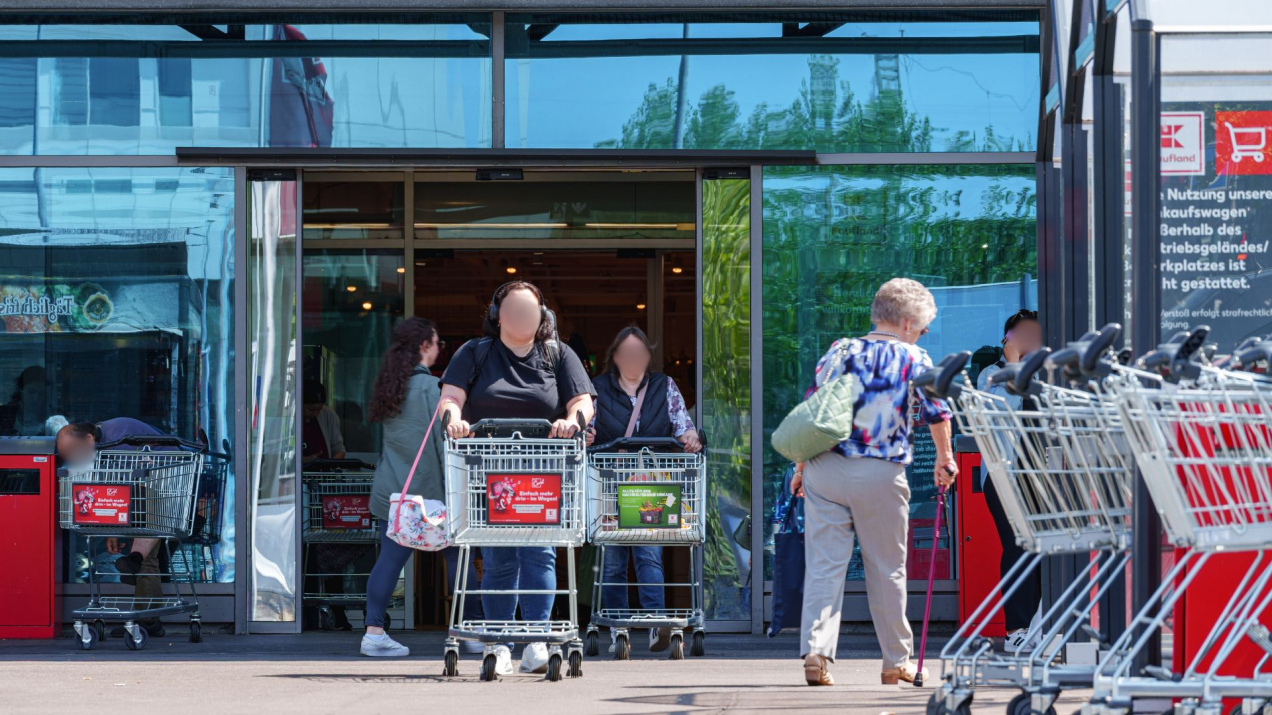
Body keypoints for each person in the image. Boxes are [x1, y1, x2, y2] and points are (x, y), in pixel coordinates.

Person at [791, 278, 957, 687]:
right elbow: (937, 412)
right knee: (886, 568)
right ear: (907, 322)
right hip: (879, 469)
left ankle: (816, 652)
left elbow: (812, 410)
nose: (924, 333)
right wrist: (945, 458)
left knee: (825, 567)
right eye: (923, 326)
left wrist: (800, 468)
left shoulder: (839, 350)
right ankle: (896, 661)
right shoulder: (914, 356)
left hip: (824, 467)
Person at [439, 281, 596, 676]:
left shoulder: (558, 354)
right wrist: (454, 419)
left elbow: (583, 402)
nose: (523, 317)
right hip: (488, 470)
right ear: (497, 315)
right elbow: (450, 398)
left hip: (544, 471)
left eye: (531, 310)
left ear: (542, 316)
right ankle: (500, 643)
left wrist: (571, 421)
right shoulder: (474, 353)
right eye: (514, 309)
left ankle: (537, 641)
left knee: (540, 554)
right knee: (498, 558)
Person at [359, 318, 480, 657]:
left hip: (393, 495)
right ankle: (470, 631)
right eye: (437, 343)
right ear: (425, 346)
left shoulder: (389, 388)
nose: (439, 348)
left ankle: (373, 633)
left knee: (389, 561)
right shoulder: (434, 390)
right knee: (459, 559)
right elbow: (445, 447)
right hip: (432, 497)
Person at [585, 326, 702, 653]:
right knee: (613, 559)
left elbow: (683, 426)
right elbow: (586, 429)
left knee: (649, 555)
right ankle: (618, 628)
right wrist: (586, 437)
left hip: (652, 482)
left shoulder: (665, 386)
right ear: (615, 356)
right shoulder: (597, 390)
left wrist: (691, 438)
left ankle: (656, 622)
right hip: (610, 483)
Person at [57, 418, 169, 637]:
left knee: (147, 557)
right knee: (147, 558)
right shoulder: (104, 443)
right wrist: (113, 530)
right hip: (148, 490)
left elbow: (122, 485)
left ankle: (147, 619)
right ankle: (147, 615)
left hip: (164, 486)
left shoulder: (118, 434)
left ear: (88, 438)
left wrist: (115, 528)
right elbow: (118, 490)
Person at [975, 308, 1045, 652]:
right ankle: (1016, 629)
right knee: (1018, 545)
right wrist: (1014, 363)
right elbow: (1000, 413)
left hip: (1046, 476)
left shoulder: (1047, 374)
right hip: (1006, 474)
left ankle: (1042, 622)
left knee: (1047, 547)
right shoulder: (991, 375)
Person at [302, 380, 346, 464]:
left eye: (319, 409)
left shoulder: (328, 414)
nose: (315, 413)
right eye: (311, 409)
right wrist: (306, 460)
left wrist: (329, 465)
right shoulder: (289, 418)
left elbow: (339, 450)